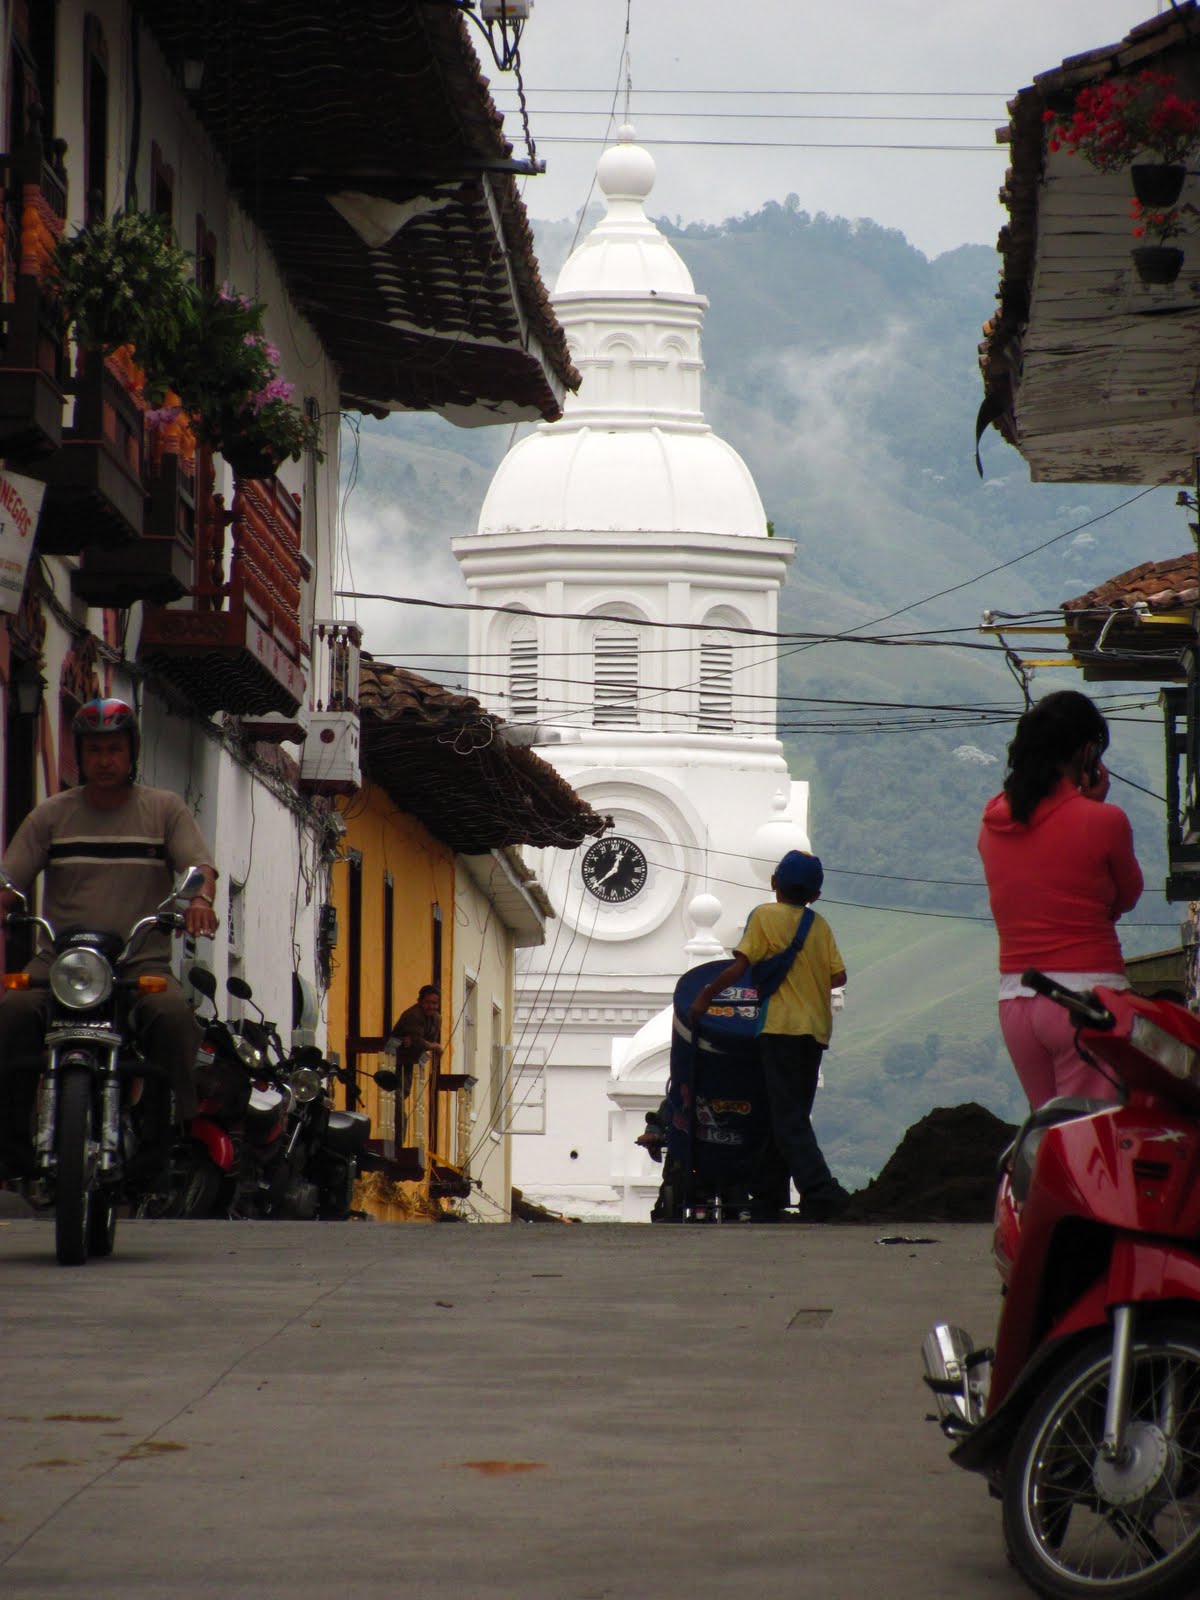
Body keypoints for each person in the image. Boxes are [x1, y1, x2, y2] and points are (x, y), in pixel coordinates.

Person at [0, 698, 219, 1176]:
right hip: (62, 963)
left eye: (114, 749)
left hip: (139, 962)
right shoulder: (51, 816)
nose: (104, 760)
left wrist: (199, 900)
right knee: (12, 1010)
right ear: (79, 754)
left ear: (131, 752)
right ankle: (9, 1135)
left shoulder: (163, 810)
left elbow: (196, 868)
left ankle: (167, 1127)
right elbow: (10, 878)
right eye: (95, 749)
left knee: (174, 1016)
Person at [978, 689, 1144, 1108]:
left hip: (1016, 999)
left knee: (1050, 1140)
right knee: (1095, 1142)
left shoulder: (993, 820)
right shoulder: (1105, 821)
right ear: (1088, 752)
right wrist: (1091, 805)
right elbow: (1127, 897)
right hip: (1087, 998)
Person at [690, 850, 849, 1221]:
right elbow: (838, 978)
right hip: (815, 1031)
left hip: (779, 1028)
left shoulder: (764, 917)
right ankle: (766, 1196)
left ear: (774, 882)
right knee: (789, 1113)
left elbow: (741, 965)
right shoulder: (819, 925)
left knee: (786, 1117)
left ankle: (820, 1190)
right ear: (816, 894)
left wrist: (705, 995)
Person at [385, 984, 443, 1096]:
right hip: (396, 1056)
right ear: (420, 1001)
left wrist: (425, 1044)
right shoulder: (414, 1014)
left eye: (434, 1003)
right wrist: (434, 1046)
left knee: (404, 1091)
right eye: (427, 1002)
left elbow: (426, 1040)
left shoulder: (436, 1018)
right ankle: (400, 1114)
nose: (431, 1006)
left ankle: (400, 1114)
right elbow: (419, 1041)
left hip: (410, 1058)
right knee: (397, 1091)